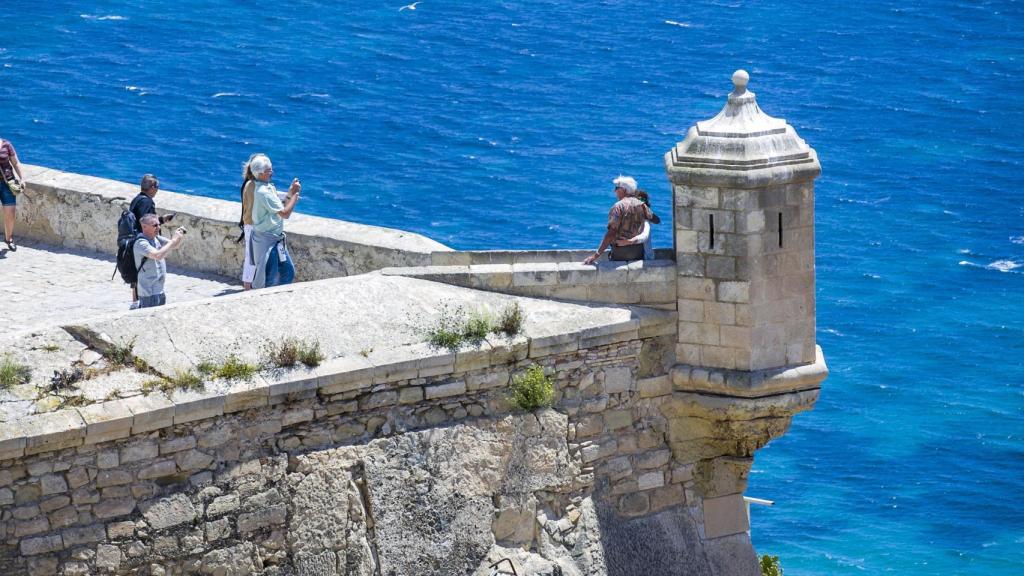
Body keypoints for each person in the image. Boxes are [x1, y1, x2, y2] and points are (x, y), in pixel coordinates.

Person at [248, 154, 301, 288]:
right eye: (268, 171)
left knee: (288, 272)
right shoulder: (263, 192)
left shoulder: (268, 187)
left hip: (275, 238)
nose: (272, 172)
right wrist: (295, 195)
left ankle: (276, 297)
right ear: (259, 174)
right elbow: (285, 213)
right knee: (269, 278)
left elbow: (280, 206)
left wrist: (289, 193)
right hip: (266, 240)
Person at [583, 176, 655, 265]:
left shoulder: (618, 207)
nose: (614, 191)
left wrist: (596, 255)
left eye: (617, 188)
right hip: (638, 253)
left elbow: (611, 233)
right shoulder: (643, 206)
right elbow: (654, 219)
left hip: (620, 253)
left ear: (624, 190)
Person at [133, 214, 187, 309]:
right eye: (155, 225)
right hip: (148, 293)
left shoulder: (156, 238)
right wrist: (173, 240)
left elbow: (174, 246)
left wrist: (178, 236)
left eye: (159, 224)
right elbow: (157, 255)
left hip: (160, 291)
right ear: (144, 226)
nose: (158, 227)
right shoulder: (141, 243)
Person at [616, 189, 661, 260]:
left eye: (642, 200)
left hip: (645, 257)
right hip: (632, 255)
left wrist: (628, 242)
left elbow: (645, 235)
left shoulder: (646, 218)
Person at [237, 154, 261, 290]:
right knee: (251, 258)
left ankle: (249, 285)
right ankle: (247, 287)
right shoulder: (252, 185)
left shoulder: (248, 183)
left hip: (249, 223)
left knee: (250, 257)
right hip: (252, 224)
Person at [0, 137, 25, 251]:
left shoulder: (6, 145)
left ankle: (8, 238)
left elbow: (15, 162)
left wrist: (22, 178)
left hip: (7, 183)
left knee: (10, 213)